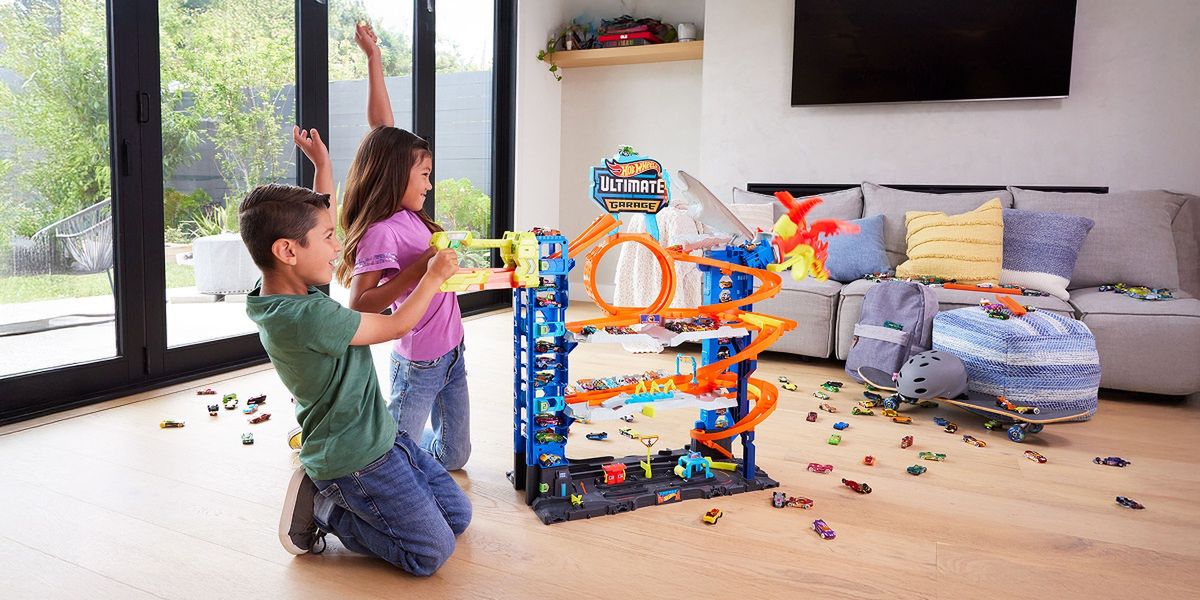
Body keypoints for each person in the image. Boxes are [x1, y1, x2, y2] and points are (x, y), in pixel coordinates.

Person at [240, 133, 470, 574]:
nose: (337, 247)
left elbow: (313, 221)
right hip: (356, 459)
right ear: (288, 250)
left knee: (458, 517)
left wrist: (322, 166)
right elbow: (396, 325)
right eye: (329, 238)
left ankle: (354, 499)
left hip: (384, 436)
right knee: (431, 552)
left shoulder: (283, 289)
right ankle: (325, 510)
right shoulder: (310, 316)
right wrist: (431, 276)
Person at [332, 21, 471, 471]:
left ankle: (392, 437)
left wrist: (375, 58)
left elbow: (383, 129)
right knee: (393, 459)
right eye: (424, 175)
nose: (429, 184)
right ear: (396, 173)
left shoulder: (410, 215)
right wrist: (422, 271)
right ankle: (365, 446)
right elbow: (360, 304)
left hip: (453, 350)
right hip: (419, 362)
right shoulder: (382, 230)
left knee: (454, 457)